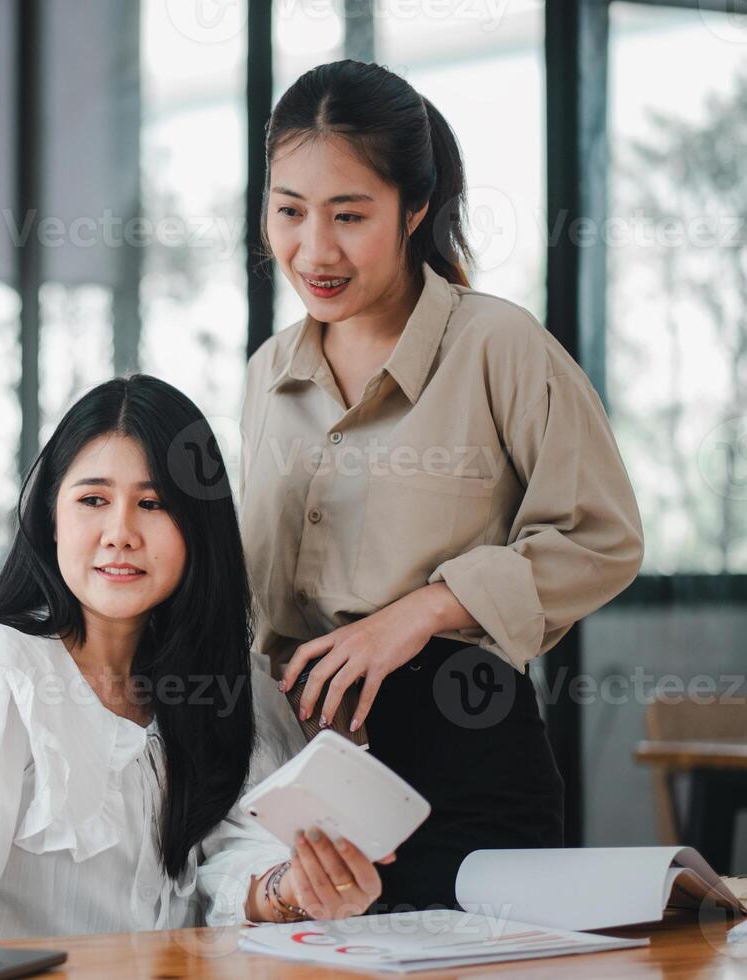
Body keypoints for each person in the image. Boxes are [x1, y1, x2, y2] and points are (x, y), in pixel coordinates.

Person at [240, 60, 645, 910]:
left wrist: (421, 610)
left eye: (350, 216)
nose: (314, 250)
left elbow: (602, 538)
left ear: (416, 209)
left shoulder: (498, 346)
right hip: (308, 779)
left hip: (466, 755)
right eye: (289, 212)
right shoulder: (268, 374)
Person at [0, 375, 392, 941]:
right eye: (93, 500)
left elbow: (236, 863)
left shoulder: (231, 689)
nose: (120, 533)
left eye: (153, 504)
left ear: (198, 528)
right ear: (52, 516)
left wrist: (294, 890)